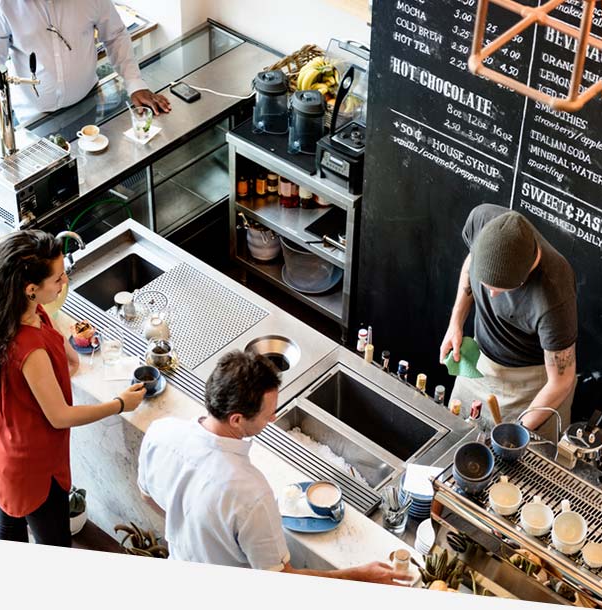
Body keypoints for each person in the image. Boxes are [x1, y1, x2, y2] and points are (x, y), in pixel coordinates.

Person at [138, 349, 409, 585]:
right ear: (236, 420)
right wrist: (359, 576)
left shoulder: (161, 433)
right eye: (269, 413)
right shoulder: (250, 493)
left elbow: (148, 496)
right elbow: (280, 578)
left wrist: (193, 528)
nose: (275, 416)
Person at [0, 230, 146, 546]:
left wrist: (71, 347)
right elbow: (59, 416)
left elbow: (68, 358)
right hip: (33, 463)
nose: (64, 282)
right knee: (56, 545)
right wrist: (120, 404)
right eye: (58, 278)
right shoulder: (29, 349)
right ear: (31, 289)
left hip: (12, 441)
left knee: (11, 519)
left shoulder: (23, 312)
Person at [439, 204, 577, 438]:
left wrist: (518, 431)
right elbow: (470, 261)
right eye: (487, 286)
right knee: (457, 440)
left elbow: (562, 380)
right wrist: (456, 322)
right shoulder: (481, 220)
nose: (492, 296)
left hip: (531, 385)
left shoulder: (554, 294)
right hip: (480, 364)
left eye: (501, 290)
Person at [0, 0, 171, 145]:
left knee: (92, 174)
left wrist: (134, 83)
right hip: (31, 119)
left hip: (87, 105)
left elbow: (115, 35)